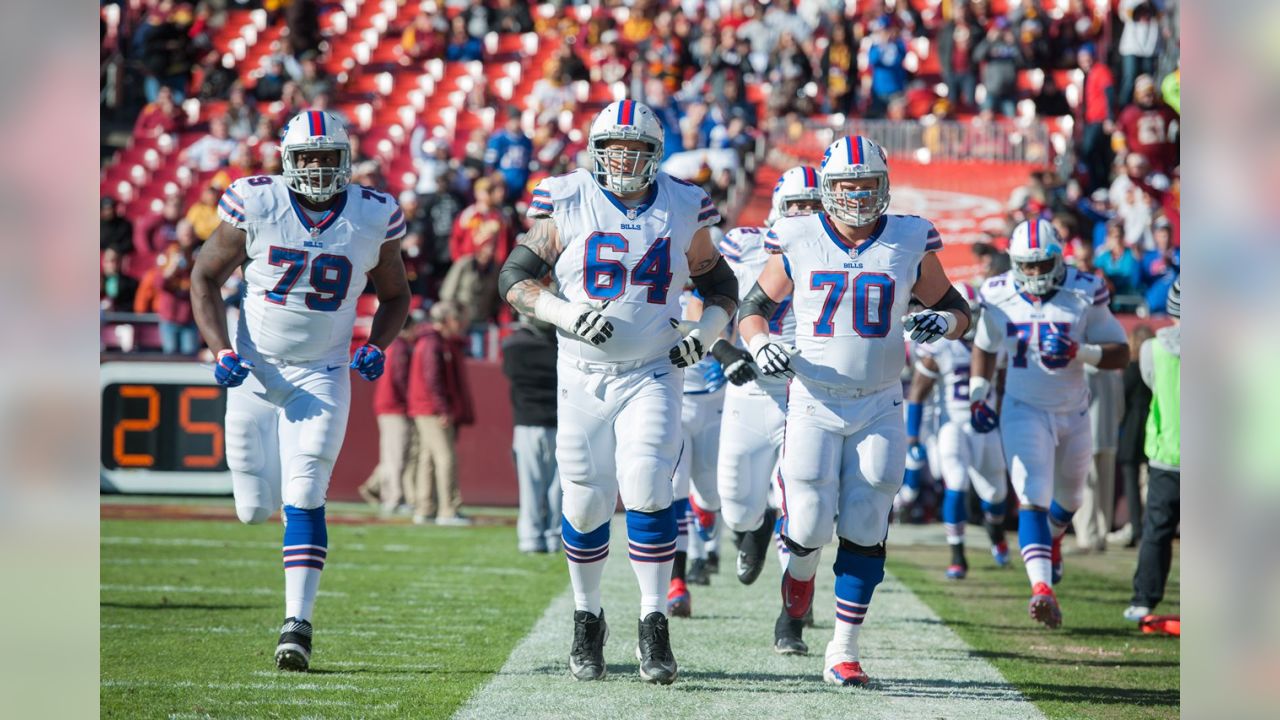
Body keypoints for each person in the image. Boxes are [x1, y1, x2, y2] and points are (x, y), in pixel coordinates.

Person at [497, 99, 736, 685]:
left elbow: (721, 284)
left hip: (653, 368)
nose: (626, 159)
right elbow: (513, 277)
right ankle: (589, 616)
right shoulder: (567, 195)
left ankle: (654, 621)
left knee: (650, 484)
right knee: (582, 499)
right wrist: (566, 313)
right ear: (597, 153)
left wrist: (703, 334)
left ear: (656, 154)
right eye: (615, 149)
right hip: (581, 371)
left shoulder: (684, 202)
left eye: (637, 149)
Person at [738, 135, 973, 686]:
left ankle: (843, 651)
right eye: (848, 185)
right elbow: (753, 308)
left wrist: (949, 325)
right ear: (827, 188)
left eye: (868, 185)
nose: (859, 196)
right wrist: (756, 343)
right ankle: (798, 584)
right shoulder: (797, 236)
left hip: (881, 399)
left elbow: (958, 308)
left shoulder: (910, 237)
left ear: (884, 187)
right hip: (815, 400)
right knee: (812, 527)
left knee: (868, 522)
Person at [189, 109, 412, 672]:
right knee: (251, 508)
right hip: (255, 372)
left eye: (326, 156)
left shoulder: (371, 215)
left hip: (323, 372)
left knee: (307, 488)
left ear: (346, 160)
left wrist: (377, 344)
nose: (315, 167)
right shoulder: (256, 203)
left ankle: (297, 625)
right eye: (306, 156)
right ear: (287, 160)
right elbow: (203, 276)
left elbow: (397, 295)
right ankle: (287, 588)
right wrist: (222, 349)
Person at [969, 219, 1130, 629]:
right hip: (1022, 407)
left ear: (1058, 260)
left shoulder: (1083, 290)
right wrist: (978, 392)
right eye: (1029, 265)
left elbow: (1120, 352)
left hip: (1073, 409)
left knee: (1072, 499)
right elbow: (985, 347)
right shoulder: (998, 293)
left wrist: (1082, 352)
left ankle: (1054, 539)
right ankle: (1042, 588)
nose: (1037, 273)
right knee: (1032, 495)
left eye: (1044, 264)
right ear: (1016, 262)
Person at [715, 166, 815, 654]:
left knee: (802, 507)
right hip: (752, 390)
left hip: (808, 392)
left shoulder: (838, 248)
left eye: (812, 205)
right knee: (734, 499)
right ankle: (750, 532)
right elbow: (709, 303)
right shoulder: (744, 245)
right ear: (777, 206)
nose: (803, 214)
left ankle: (790, 618)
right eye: (795, 204)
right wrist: (725, 352)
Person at [906, 282, 1011, 580]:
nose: (972, 321)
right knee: (957, 483)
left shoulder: (996, 344)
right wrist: (913, 436)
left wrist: (1002, 417)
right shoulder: (938, 346)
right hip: (952, 425)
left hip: (985, 425)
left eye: (975, 314)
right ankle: (957, 556)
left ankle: (995, 533)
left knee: (996, 495)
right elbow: (917, 391)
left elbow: (1003, 388)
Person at [1125, 278, 1179, 621]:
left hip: (1166, 453)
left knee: (1156, 531)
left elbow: (1150, 381)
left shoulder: (1153, 348)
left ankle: (1144, 599)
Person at [407, 300, 475, 526]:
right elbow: (432, 380)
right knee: (446, 458)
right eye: (456, 319)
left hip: (426, 408)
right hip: (432, 410)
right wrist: (443, 409)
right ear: (446, 320)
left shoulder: (433, 342)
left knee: (428, 458)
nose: (460, 324)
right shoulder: (433, 344)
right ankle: (448, 509)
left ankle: (425, 508)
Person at [501, 313, 561, 553]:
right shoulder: (560, 349)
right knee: (558, 488)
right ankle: (554, 536)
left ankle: (530, 538)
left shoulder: (514, 347)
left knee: (531, 486)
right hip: (557, 423)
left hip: (526, 424)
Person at [1111, 324, 1155, 547]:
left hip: (1132, 429)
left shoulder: (1130, 369)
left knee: (1132, 483)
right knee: (1150, 481)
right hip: (1152, 426)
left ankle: (1137, 528)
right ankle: (1147, 527)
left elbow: (1121, 399)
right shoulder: (1157, 368)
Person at [371, 315, 419, 518]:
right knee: (397, 456)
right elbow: (401, 379)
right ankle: (393, 498)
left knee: (393, 454)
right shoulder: (400, 347)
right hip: (395, 407)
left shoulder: (393, 345)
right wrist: (410, 401)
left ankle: (380, 491)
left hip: (388, 405)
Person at [1073, 363, 1124, 552]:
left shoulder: (1081, 373)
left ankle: (1088, 536)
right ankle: (1102, 534)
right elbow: (1120, 408)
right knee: (1105, 489)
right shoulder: (1113, 373)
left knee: (1088, 489)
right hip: (1109, 436)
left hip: (1086, 436)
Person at [156, 221, 202, 355]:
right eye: (185, 235)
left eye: (190, 235)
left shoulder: (199, 254)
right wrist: (171, 269)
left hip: (189, 316)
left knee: (189, 354)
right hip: (169, 315)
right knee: (170, 355)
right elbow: (159, 284)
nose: (188, 238)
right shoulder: (168, 253)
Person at [485, 107, 534, 206]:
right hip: (503, 186)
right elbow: (489, 164)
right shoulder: (498, 139)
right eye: (513, 120)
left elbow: (529, 162)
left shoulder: (526, 141)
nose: (516, 123)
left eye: (518, 120)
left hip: (522, 184)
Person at [100, 248, 139, 312]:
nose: (110, 265)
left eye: (113, 261)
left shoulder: (130, 283)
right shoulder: (100, 282)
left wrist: (114, 307)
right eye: (107, 261)